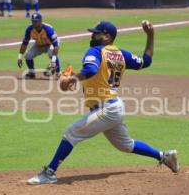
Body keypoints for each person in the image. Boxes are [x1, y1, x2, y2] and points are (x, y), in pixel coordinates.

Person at [26, 20, 179, 185]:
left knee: (70, 134)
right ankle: (164, 155)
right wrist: (151, 36)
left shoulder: (95, 51)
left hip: (107, 109)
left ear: (107, 36)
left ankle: (49, 172)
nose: (92, 35)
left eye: (96, 33)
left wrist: (72, 78)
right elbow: (146, 61)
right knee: (126, 145)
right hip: (114, 107)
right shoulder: (121, 54)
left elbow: (91, 70)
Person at [17, 13, 61, 79]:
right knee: (28, 56)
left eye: (36, 21)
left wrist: (53, 61)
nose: (34, 23)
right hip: (39, 44)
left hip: (50, 44)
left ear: (40, 21)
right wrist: (19, 57)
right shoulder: (29, 29)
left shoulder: (48, 29)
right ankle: (31, 73)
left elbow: (55, 46)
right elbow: (24, 43)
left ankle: (58, 73)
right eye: (32, 21)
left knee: (51, 53)